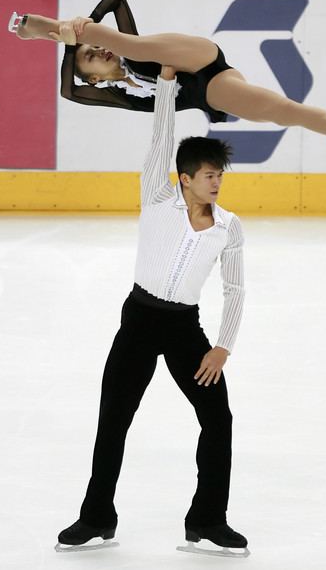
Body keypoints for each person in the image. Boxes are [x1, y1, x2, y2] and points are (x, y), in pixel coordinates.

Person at [56, 65, 248, 556]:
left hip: (186, 327)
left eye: (220, 176)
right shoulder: (157, 197)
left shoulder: (230, 226)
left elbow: (235, 288)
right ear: (185, 179)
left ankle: (207, 520)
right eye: (209, 176)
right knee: (114, 419)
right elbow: (161, 140)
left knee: (218, 419)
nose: (216, 184)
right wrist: (164, 83)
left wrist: (222, 347)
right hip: (139, 320)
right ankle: (96, 516)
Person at [10, 0, 326, 173]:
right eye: (90, 57)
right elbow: (67, 89)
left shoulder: (125, 49)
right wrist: (75, 42)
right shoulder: (115, 95)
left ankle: (48, 28)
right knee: (279, 111)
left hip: (187, 54)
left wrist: (79, 25)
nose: (99, 53)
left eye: (95, 46)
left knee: (134, 49)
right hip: (210, 87)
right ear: (92, 80)